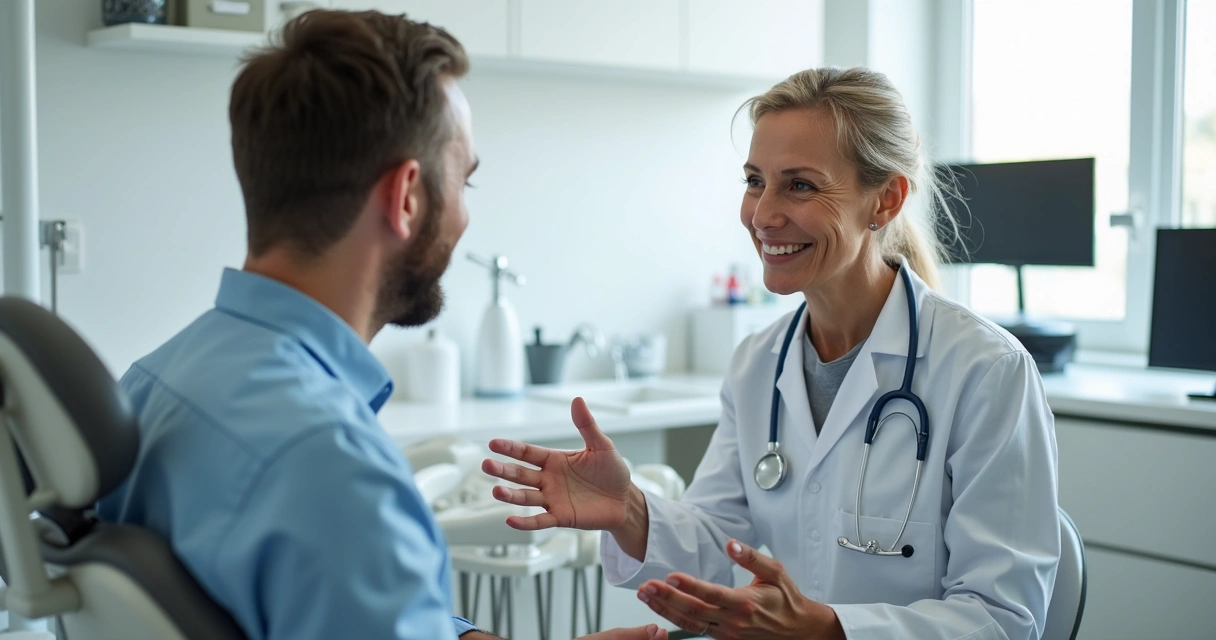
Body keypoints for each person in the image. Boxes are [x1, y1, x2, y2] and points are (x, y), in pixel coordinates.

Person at [96, 9, 666, 640]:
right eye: (466, 181)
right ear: (407, 199)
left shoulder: (148, 384)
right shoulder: (334, 471)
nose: (467, 216)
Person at [481, 67, 1060, 640]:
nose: (763, 215)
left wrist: (828, 630)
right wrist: (628, 508)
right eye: (755, 181)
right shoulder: (760, 361)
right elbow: (717, 539)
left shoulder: (985, 371)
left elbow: (1002, 619)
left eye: (800, 185)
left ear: (884, 200)